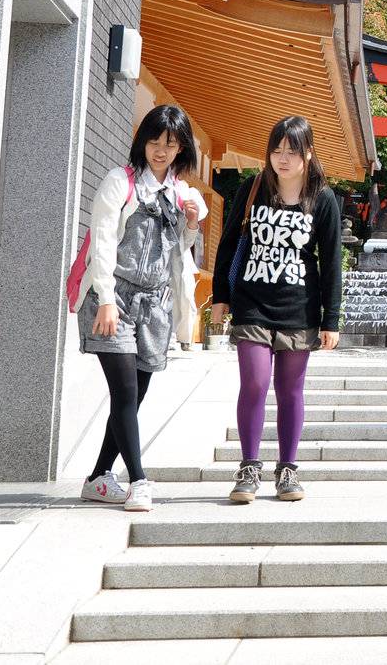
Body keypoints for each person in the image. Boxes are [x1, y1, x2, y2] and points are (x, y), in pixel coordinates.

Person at [78, 105, 207, 513]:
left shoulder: (180, 193)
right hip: (113, 299)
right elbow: (101, 242)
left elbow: (177, 252)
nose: (161, 151)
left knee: (133, 398)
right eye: (155, 141)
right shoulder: (120, 182)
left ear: (181, 147)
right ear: (143, 140)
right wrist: (105, 298)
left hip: (154, 306)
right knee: (125, 390)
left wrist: (190, 225)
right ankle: (138, 480)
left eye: (170, 144)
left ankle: (99, 477)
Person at [212, 116, 344, 505]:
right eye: (276, 149)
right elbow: (227, 243)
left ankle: (288, 470)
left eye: (291, 151)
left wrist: (330, 319)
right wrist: (221, 296)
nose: (282, 158)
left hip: (298, 308)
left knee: (290, 390)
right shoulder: (253, 189)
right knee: (253, 382)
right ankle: (249, 466)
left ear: (308, 154)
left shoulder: (323, 199)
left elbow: (332, 261)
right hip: (252, 303)